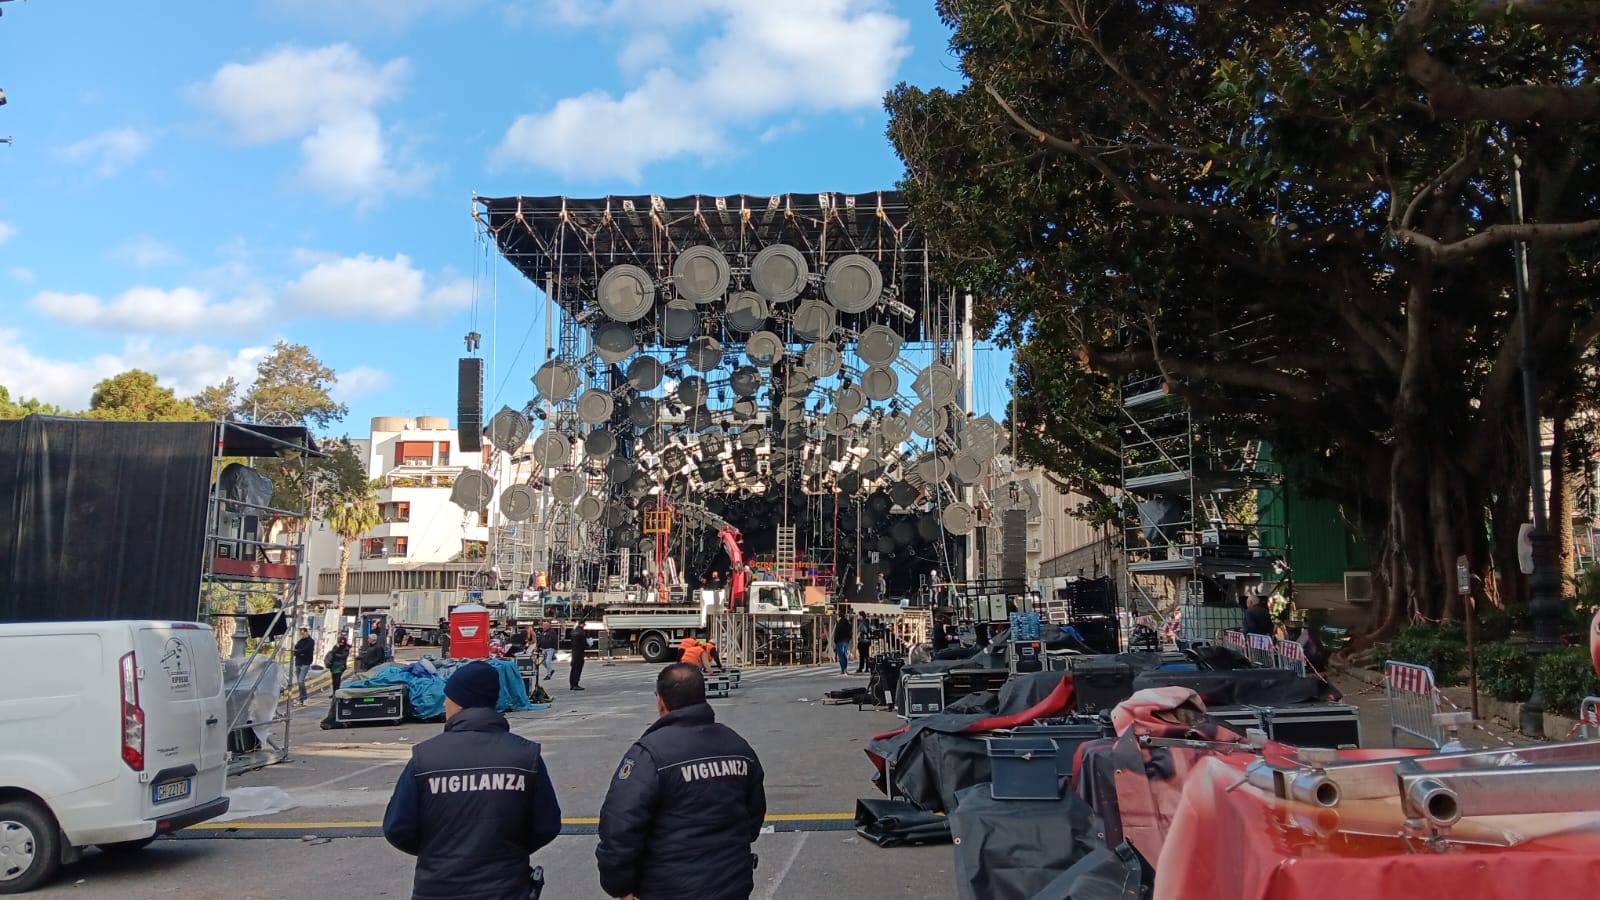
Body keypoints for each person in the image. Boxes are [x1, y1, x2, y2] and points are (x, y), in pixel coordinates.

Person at [383, 661, 562, 900]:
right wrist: (508, 852)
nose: (444, 704)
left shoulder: (425, 758)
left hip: (438, 888)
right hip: (506, 888)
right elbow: (546, 825)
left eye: (448, 697)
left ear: (459, 702)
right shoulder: (525, 756)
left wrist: (439, 853)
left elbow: (397, 828)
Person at [596, 664, 766, 900]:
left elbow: (620, 828)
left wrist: (620, 887)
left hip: (668, 888)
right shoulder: (738, 747)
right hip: (732, 883)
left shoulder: (649, 755)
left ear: (661, 702)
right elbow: (754, 816)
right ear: (702, 697)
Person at [568, 617, 589, 691]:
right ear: (582, 624)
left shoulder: (573, 631)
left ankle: (571, 684)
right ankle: (575, 684)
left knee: (573, 669)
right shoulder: (581, 632)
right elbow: (584, 643)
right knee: (578, 669)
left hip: (574, 652)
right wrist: (589, 644)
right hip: (580, 653)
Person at [831, 612, 852, 676]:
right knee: (845, 656)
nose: (837, 618)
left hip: (840, 641)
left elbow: (837, 633)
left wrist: (835, 641)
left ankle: (843, 670)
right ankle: (845, 669)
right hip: (846, 641)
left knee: (841, 656)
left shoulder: (839, 624)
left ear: (840, 617)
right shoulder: (848, 623)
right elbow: (850, 633)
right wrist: (848, 639)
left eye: (837, 617)